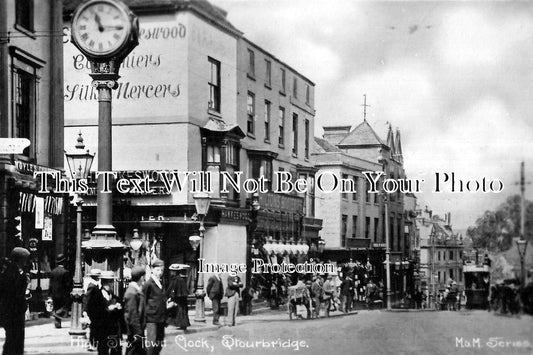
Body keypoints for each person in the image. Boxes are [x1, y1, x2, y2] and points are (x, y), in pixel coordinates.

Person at [0, 247, 30, 355]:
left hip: (12, 311)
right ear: (20, 259)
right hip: (14, 312)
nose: (26, 262)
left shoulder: (11, 270)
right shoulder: (12, 272)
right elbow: (14, 293)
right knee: (14, 340)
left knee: (12, 340)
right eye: (25, 259)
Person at [142, 259, 166, 355]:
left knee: (159, 342)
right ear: (152, 269)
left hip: (160, 317)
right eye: (157, 270)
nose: (160, 273)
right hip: (151, 318)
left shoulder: (160, 283)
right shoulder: (149, 284)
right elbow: (143, 300)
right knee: (152, 343)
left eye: (161, 270)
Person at [83, 269, 109, 354]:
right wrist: (85, 311)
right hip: (93, 311)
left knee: (94, 328)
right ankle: (91, 343)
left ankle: (92, 343)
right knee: (93, 328)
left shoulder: (94, 285)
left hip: (94, 311)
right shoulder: (92, 286)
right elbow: (87, 299)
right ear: (98, 278)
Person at [124, 266, 146, 355]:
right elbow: (132, 315)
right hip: (135, 331)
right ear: (141, 277)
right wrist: (138, 333)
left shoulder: (135, 290)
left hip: (137, 330)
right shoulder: (131, 292)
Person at [101, 271, 124, 355]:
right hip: (103, 330)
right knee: (103, 351)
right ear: (103, 283)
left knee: (116, 351)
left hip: (114, 330)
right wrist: (108, 309)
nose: (110, 284)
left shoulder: (114, 297)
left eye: (111, 282)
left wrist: (119, 308)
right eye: (108, 282)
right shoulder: (97, 296)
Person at [49, 254, 72, 328]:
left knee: (56, 307)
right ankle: (57, 315)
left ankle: (57, 323)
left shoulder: (53, 271)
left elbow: (50, 284)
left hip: (54, 293)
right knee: (64, 307)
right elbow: (67, 285)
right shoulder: (65, 272)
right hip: (63, 294)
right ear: (64, 262)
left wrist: (50, 294)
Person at [166, 264, 190, 331]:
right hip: (180, 298)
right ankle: (181, 324)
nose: (171, 273)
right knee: (180, 311)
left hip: (179, 299)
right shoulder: (178, 279)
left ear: (175, 272)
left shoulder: (177, 280)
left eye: (172, 271)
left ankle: (182, 324)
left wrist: (171, 296)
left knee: (180, 311)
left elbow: (173, 290)